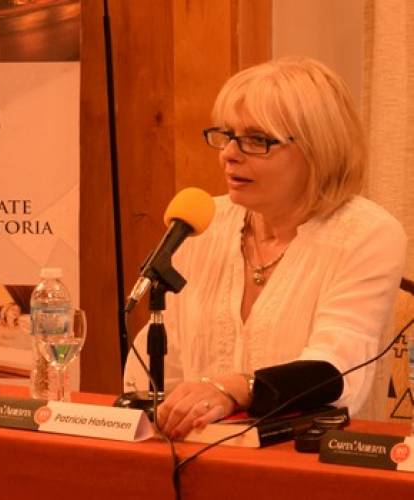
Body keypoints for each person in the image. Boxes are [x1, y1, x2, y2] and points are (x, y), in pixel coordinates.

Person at [124, 56, 407, 440]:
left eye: (256, 140)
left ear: (317, 149)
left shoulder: (366, 234)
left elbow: (337, 373)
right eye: (226, 135)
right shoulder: (201, 224)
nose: (228, 154)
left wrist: (230, 389)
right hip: (191, 455)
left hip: (309, 462)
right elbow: (162, 369)